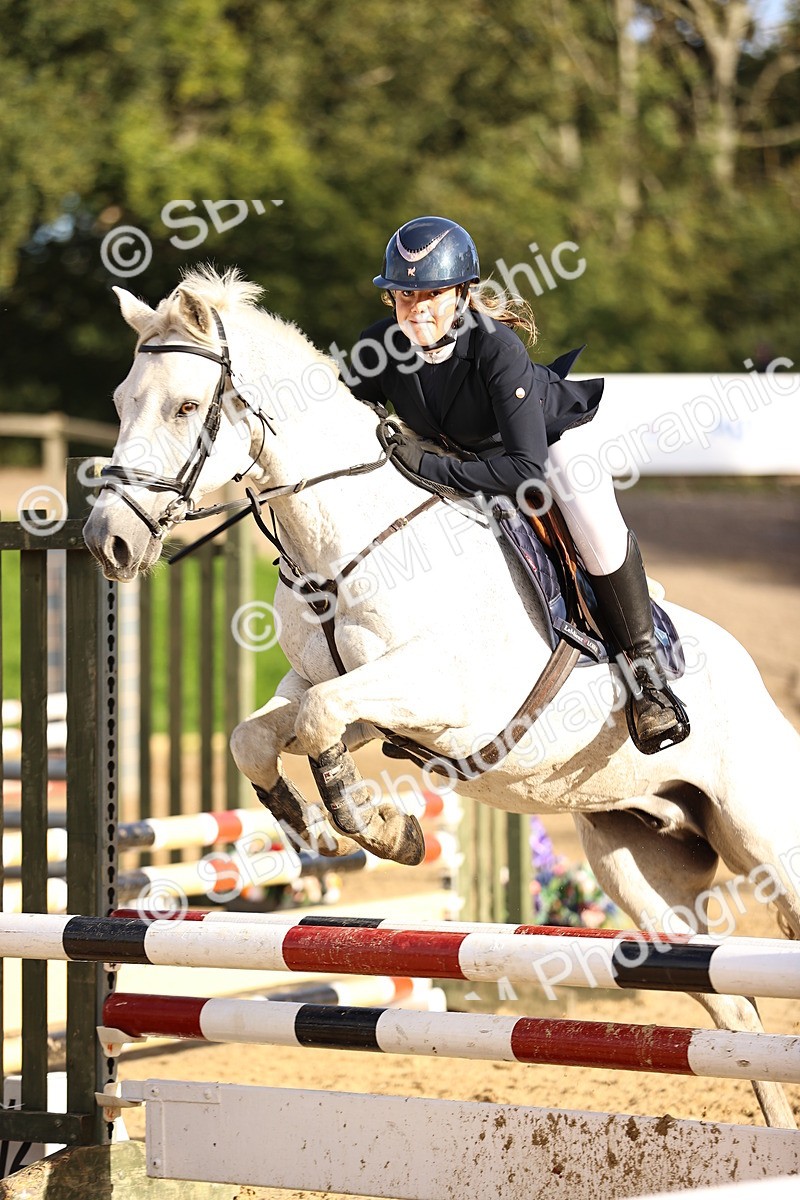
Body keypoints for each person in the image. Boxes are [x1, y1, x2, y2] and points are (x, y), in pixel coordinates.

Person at [349, 214, 688, 755]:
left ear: (461, 294)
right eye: (404, 295)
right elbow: (343, 420)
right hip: (462, 456)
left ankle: (647, 679)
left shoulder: (495, 348)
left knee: (587, 509)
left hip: (540, 450)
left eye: (432, 294)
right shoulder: (379, 346)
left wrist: (426, 467)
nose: (417, 309)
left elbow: (524, 472)